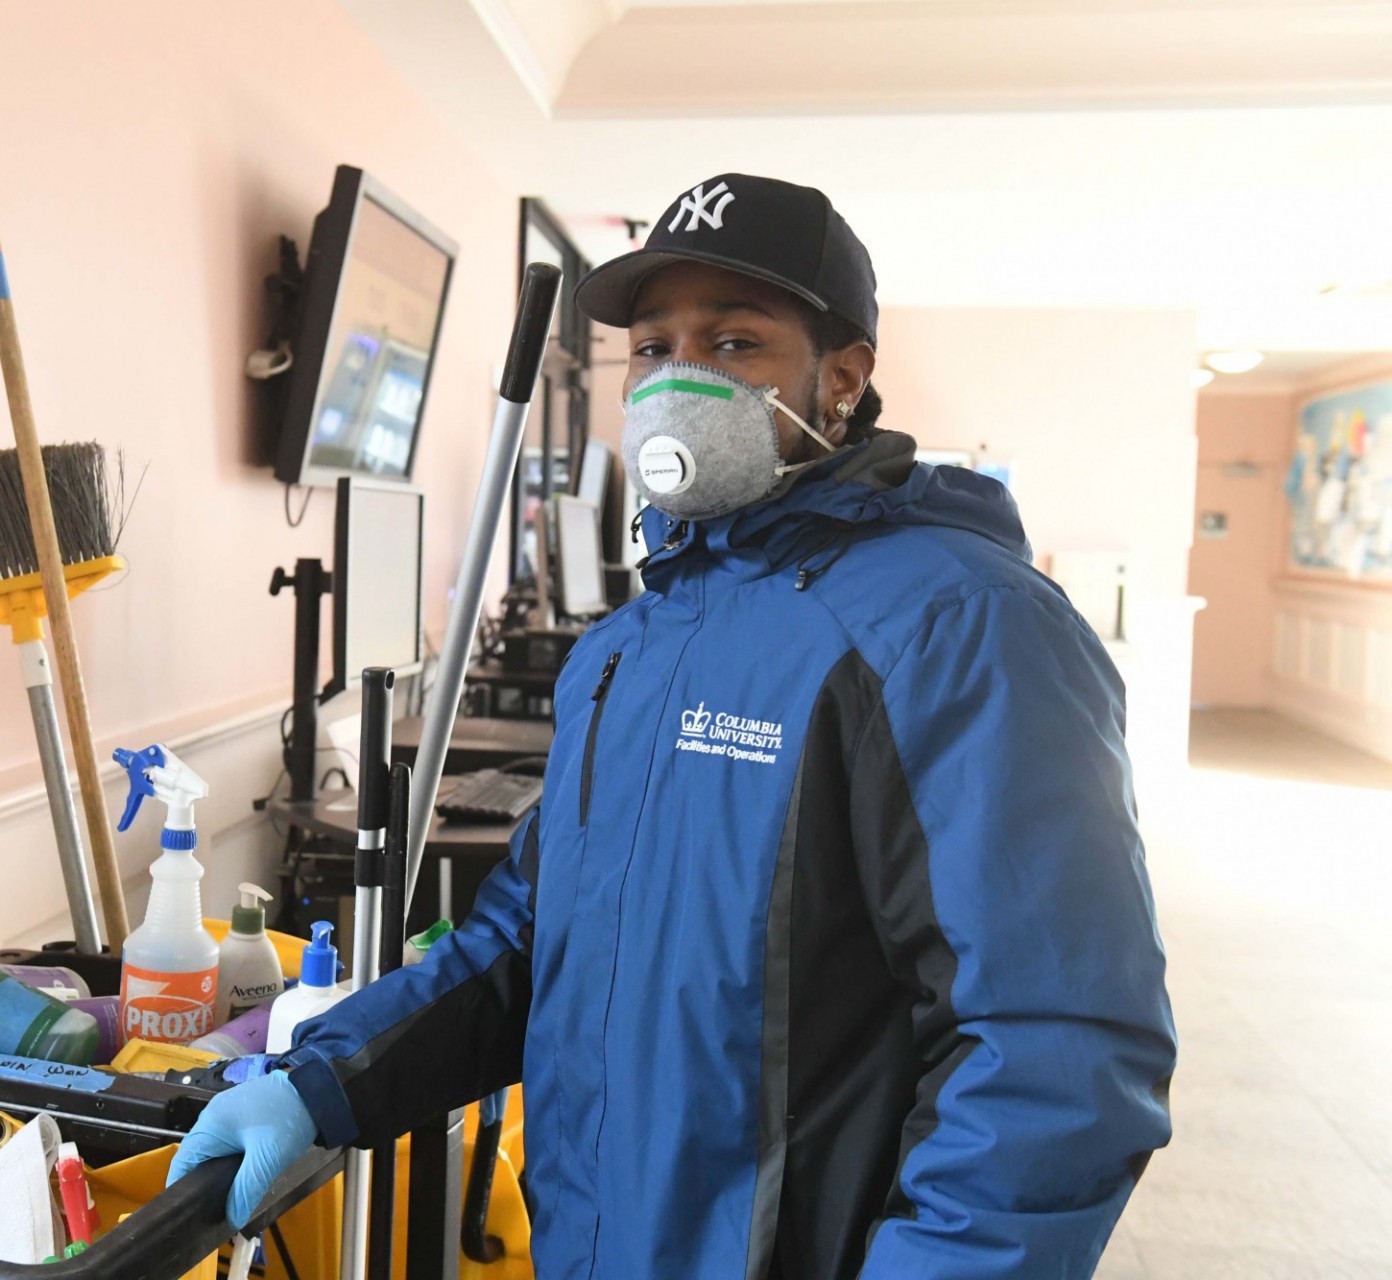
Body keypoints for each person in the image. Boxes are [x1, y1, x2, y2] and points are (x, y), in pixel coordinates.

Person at [170, 174, 1176, 1279]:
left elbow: (1053, 1047)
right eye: (653, 347)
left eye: (735, 341)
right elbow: (526, 939)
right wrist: (323, 1080)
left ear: (841, 379)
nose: (678, 378)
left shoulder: (958, 628)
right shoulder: (633, 645)